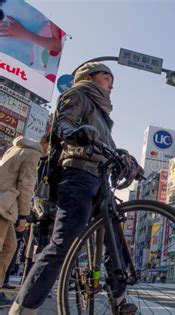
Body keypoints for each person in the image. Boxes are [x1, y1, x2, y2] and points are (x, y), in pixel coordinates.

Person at [10, 62, 137, 315]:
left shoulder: (102, 114)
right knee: (62, 244)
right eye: (106, 77)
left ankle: (120, 298)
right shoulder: (77, 94)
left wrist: (125, 159)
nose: (111, 85)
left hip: (99, 180)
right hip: (78, 175)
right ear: (88, 77)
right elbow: (62, 124)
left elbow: (107, 147)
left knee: (115, 239)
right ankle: (22, 309)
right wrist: (77, 132)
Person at [0, 135, 47, 307]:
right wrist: (23, 215)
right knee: (5, 247)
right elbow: (26, 185)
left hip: (6, 203)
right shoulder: (33, 154)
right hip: (4, 204)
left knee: (9, 246)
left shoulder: (16, 148)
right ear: (46, 144)